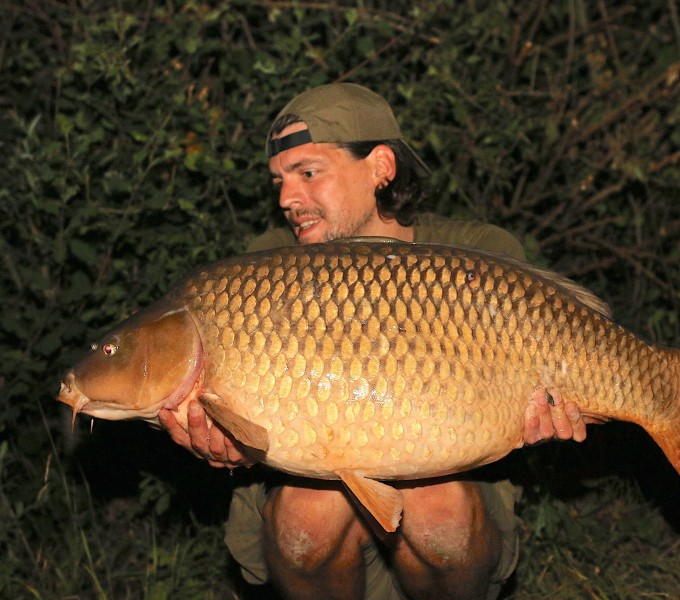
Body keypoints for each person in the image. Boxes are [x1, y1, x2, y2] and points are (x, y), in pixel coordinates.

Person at [158, 82, 587, 600]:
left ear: (381, 166)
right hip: (317, 542)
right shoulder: (268, 265)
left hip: (452, 521)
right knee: (308, 516)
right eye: (279, 181)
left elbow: (524, 395)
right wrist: (227, 443)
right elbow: (261, 425)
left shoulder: (479, 254)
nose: (286, 199)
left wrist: (543, 414)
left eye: (308, 173)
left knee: (437, 512)